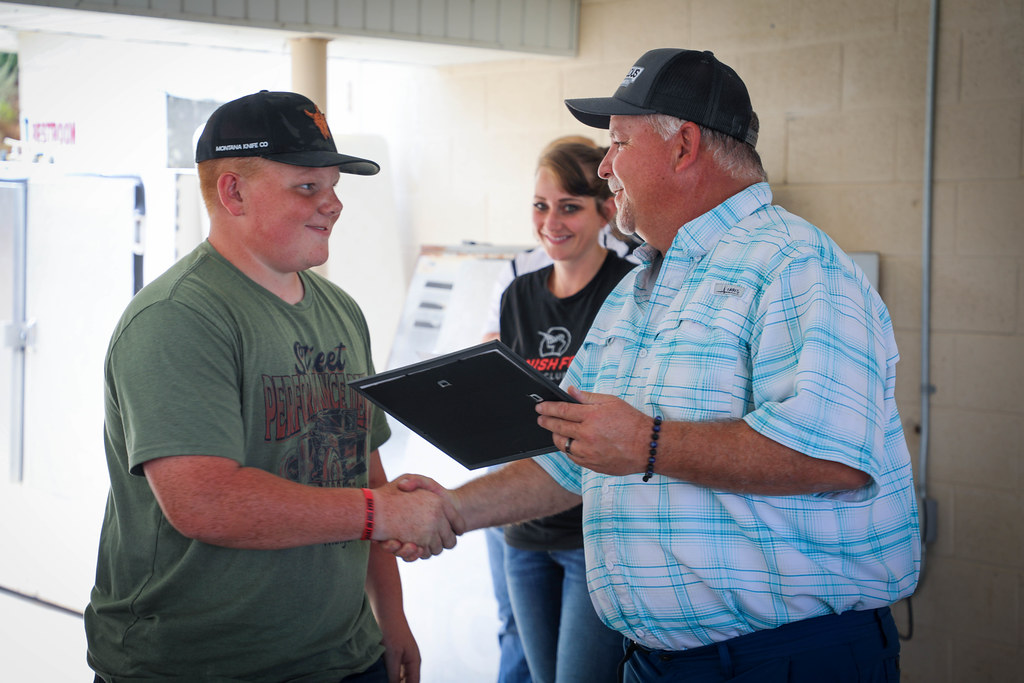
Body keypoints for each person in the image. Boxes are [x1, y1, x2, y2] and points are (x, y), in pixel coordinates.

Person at [394, 48, 921, 682]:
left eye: (616, 143)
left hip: (783, 661)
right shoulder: (639, 287)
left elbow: (833, 458)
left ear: (684, 147)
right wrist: (452, 509)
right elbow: (571, 457)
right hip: (658, 663)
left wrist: (648, 444)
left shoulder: (795, 265)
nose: (605, 166)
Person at [84, 90, 460, 683]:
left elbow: (364, 472)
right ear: (232, 192)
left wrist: (391, 617)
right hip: (199, 667)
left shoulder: (340, 311)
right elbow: (205, 503)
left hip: (344, 655)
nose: (333, 205)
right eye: (307, 188)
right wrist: (380, 514)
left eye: (334, 187)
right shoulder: (178, 316)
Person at [479, 135, 637, 683]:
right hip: (523, 527)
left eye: (569, 206)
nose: (551, 222)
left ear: (605, 211)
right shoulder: (518, 295)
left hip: (592, 533)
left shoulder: (628, 292)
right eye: (541, 206)